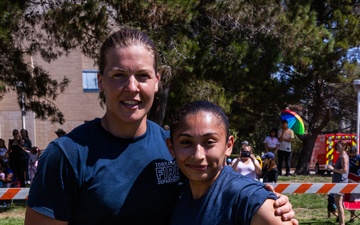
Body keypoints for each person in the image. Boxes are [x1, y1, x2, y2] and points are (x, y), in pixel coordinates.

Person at [25, 27, 297, 225]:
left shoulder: (175, 146)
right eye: (119, 75)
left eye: (142, 76)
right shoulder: (66, 155)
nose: (132, 88)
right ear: (101, 81)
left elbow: (217, 185)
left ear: (156, 81)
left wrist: (263, 199)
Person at [166, 100, 294, 225]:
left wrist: (263, 201)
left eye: (209, 142)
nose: (198, 155)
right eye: (186, 142)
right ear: (171, 147)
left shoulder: (248, 202)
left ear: (228, 145)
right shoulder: (173, 194)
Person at [328, 141, 349, 225]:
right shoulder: (340, 156)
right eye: (337, 146)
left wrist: (332, 169)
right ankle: (341, 221)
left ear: (344, 146)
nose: (337, 147)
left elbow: (344, 170)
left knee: (339, 204)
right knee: (337, 203)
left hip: (341, 182)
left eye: (339, 146)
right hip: (337, 182)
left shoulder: (344, 157)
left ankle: (342, 223)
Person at [346, 146, 360, 223]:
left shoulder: (358, 157)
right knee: (351, 199)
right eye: (350, 154)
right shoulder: (346, 157)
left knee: (355, 199)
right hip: (349, 179)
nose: (351, 156)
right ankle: (352, 217)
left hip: (357, 179)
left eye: (352, 154)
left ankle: (352, 217)